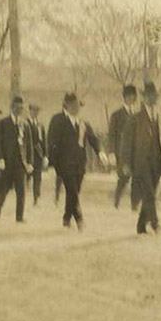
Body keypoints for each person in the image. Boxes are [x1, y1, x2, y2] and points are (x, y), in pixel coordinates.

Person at [48, 92, 107, 230]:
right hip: (64, 163)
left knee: (74, 192)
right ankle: (79, 219)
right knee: (72, 190)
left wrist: (101, 152)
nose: (77, 108)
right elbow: (52, 142)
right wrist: (52, 163)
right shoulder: (58, 120)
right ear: (66, 105)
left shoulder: (83, 123)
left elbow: (93, 139)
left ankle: (66, 218)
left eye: (78, 106)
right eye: (74, 105)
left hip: (79, 164)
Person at [122, 82, 161, 234]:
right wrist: (126, 163)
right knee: (150, 194)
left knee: (150, 194)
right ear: (144, 97)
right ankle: (155, 224)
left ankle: (141, 225)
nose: (154, 98)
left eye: (156, 95)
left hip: (158, 163)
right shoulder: (135, 118)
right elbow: (126, 142)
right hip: (141, 163)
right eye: (150, 95)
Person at [0, 96, 35, 222]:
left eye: (22, 108)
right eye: (17, 107)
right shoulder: (3, 124)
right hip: (7, 163)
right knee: (4, 189)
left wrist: (30, 162)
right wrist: (0, 158)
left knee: (21, 191)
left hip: (20, 164)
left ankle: (19, 217)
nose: (20, 110)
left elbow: (29, 146)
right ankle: (0, 206)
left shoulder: (25, 125)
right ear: (11, 108)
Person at [108, 85, 139, 210]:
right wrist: (112, 153)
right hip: (122, 153)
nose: (132, 99)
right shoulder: (117, 115)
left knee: (137, 180)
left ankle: (134, 206)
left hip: (136, 152)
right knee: (123, 179)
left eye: (134, 96)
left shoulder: (138, 114)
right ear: (125, 98)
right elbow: (112, 135)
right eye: (129, 96)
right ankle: (116, 201)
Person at [28, 104, 48, 206]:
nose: (35, 113)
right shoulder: (25, 124)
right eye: (33, 111)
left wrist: (45, 155)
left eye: (37, 111)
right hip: (27, 156)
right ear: (29, 111)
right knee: (23, 177)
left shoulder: (40, 125)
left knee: (37, 177)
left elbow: (44, 142)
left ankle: (36, 198)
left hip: (38, 156)